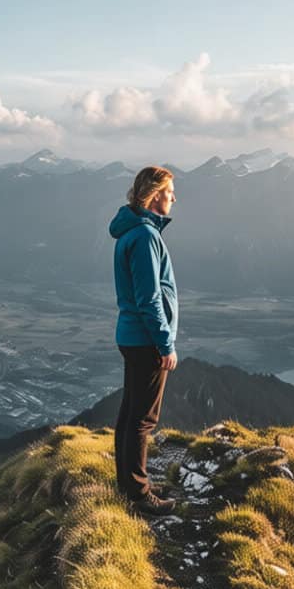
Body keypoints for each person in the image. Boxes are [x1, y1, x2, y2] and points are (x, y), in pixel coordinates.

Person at [109, 165, 179, 514]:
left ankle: (128, 483)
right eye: (169, 192)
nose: (174, 198)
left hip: (131, 334)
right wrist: (165, 344)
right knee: (143, 419)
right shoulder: (146, 237)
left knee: (130, 413)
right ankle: (137, 494)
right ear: (154, 197)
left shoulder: (131, 233)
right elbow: (149, 298)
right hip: (145, 338)